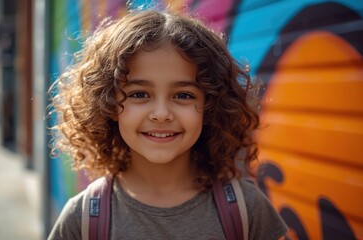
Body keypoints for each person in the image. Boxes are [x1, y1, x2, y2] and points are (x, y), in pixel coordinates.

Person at [48, 9, 288, 240]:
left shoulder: (246, 209)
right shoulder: (82, 219)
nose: (161, 114)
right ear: (108, 105)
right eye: (139, 94)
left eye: (183, 95)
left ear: (210, 107)